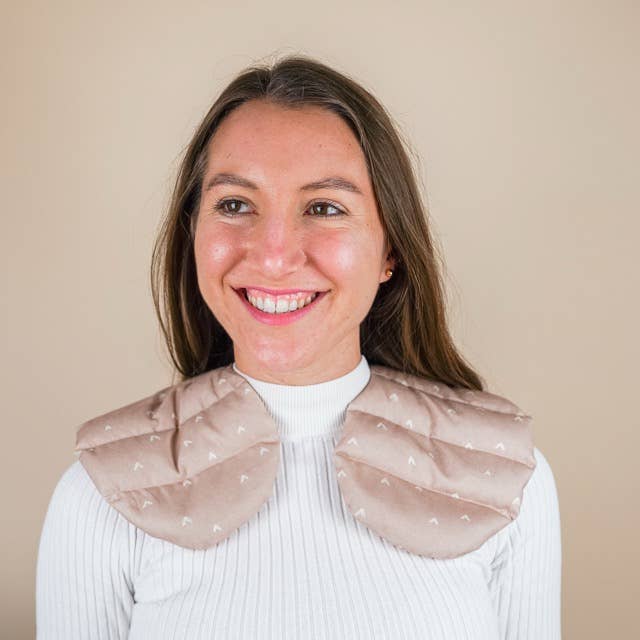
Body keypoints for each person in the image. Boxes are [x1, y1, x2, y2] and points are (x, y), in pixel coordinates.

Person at [35, 55, 562, 639]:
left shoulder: (505, 481)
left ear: (390, 249)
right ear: (194, 233)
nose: (275, 256)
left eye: (324, 208)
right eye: (235, 204)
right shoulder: (102, 494)